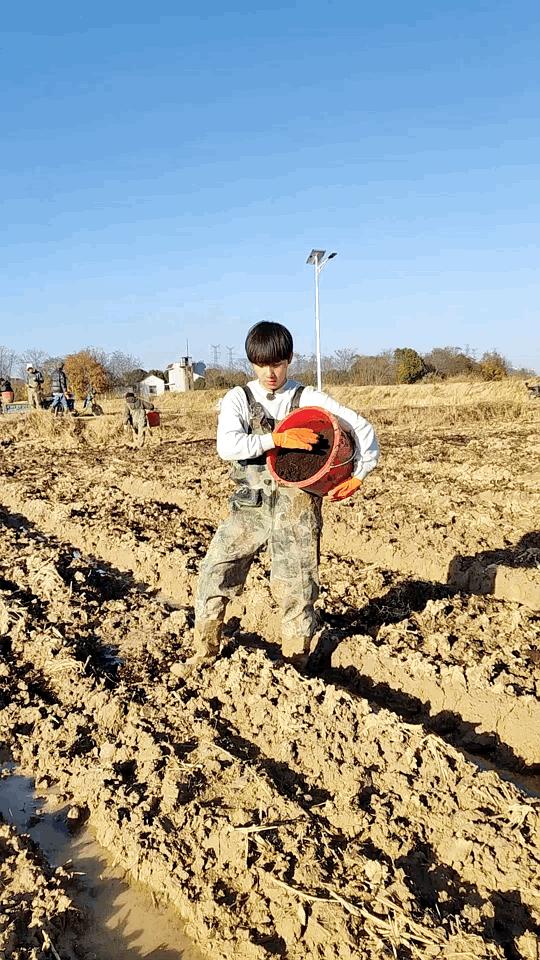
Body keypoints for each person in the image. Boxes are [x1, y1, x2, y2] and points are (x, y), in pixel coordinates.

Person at [190, 321, 379, 672]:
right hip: (251, 505)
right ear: (252, 363)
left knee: (297, 585)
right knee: (215, 570)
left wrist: (360, 474)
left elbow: (360, 426)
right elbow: (227, 445)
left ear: (289, 360)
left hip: (297, 507)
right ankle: (204, 649)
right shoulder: (239, 398)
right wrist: (277, 440)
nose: (270, 373)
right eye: (262, 365)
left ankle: (296, 660)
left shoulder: (307, 398)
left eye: (277, 364)